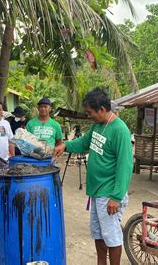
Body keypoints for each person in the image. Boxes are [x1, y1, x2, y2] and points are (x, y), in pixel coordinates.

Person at [53, 88, 133, 265]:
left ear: (102, 109)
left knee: (112, 236)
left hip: (109, 191)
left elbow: (125, 166)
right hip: (96, 191)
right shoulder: (98, 125)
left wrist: (116, 196)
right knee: (98, 233)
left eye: (90, 113)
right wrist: (65, 146)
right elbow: (84, 142)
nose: (90, 116)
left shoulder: (120, 130)